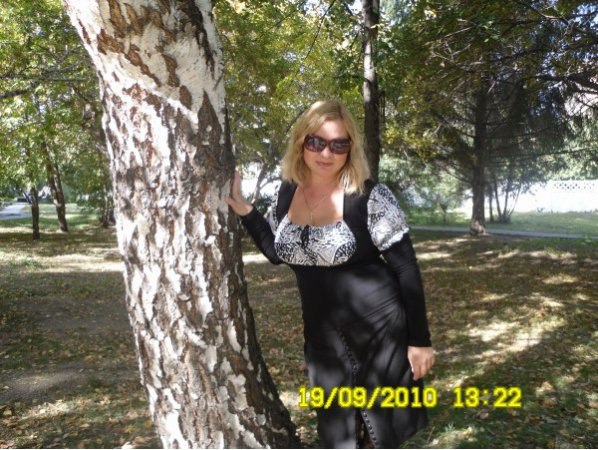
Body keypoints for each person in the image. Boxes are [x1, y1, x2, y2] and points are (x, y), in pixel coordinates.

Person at [226, 100, 434, 449]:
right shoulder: (285, 192)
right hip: (323, 339)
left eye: (339, 144)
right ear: (301, 142)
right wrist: (247, 212)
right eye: (316, 142)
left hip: (380, 333)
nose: (326, 153)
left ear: (350, 148)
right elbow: (278, 251)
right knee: (337, 435)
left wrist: (420, 341)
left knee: (378, 436)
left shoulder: (369, 196)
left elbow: (406, 269)